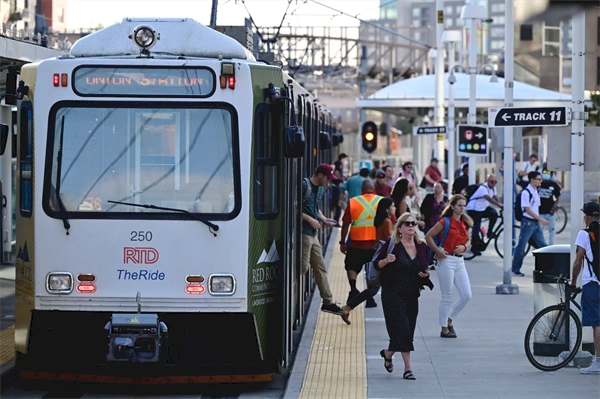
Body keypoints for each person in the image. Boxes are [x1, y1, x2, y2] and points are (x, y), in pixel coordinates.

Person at [375, 213, 432, 379]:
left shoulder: (421, 246)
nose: (411, 226)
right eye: (407, 224)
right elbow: (376, 264)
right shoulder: (392, 245)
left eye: (413, 223)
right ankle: (408, 369)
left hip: (412, 295)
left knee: (407, 332)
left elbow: (424, 267)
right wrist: (387, 260)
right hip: (392, 293)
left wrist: (424, 274)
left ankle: (387, 353)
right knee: (403, 330)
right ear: (399, 228)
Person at [339, 197, 396, 324]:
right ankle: (347, 308)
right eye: (393, 206)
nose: (395, 208)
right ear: (387, 209)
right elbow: (390, 241)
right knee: (373, 289)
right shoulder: (386, 222)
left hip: (378, 256)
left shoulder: (379, 220)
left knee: (372, 289)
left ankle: (347, 308)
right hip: (384, 259)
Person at [425, 194, 473, 339]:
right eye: (459, 205)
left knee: (466, 295)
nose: (462, 208)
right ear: (452, 206)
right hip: (446, 260)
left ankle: (450, 320)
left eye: (464, 205)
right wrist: (438, 251)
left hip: (460, 261)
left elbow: (469, 240)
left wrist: (464, 247)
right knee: (447, 296)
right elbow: (428, 236)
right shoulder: (445, 222)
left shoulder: (465, 222)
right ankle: (444, 328)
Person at [302, 164, 346, 315]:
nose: (328, 181)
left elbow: (315, 208)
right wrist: (309, 219)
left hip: (312, 234)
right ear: (320, 175)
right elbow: (292, 207)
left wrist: (323, 219)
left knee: (320, 268)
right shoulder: (304, 185)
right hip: (303, 233)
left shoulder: (320, 189)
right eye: (328, 178)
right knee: (302, 268)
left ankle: (328, 302)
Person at [339, 179, 382, 309]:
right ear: (373, 188)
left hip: (356, 244)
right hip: (375, 245)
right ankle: (369, 298)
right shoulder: (381, 201)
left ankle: (353, 288)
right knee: (372, 273)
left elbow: (345, 223)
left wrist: (342, 241)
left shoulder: (353, 202)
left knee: (351, 266)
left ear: (362, 190)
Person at [570, 202, 600, 374]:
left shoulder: (585, 234)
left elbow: (578, 261)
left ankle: (598, 362)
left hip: (592, 284)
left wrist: (573, 282)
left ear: (586, 217)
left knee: (597, 323)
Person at [512, 171, 549, 277]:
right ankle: (515, 269)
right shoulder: (526, 192)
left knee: (543, 246)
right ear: (532, 180)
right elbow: (527, 209)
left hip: (535, 223)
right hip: (528, 223)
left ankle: (545, 269)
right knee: (521, 247)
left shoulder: (535, 191)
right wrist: (541, 219)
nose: (541, 181)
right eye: (539, 179)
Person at [466, 174, 503, 256]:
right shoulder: (483, 188)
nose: (493, 184)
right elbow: (489, 198)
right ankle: (474, 248)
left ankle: (490, 232)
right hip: (474, 209)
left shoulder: (493, 188)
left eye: (495, 182)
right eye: (492, 182)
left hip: (482, 208)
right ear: (487, 181)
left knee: (494, 214)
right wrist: (498, 205)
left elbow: (495, 197)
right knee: (476, 226)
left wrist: (501, 204)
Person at [538, 165, 561, 245]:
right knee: (539, 232)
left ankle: (551, 247)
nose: (546, 174)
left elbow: (557, 197)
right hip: (540, 213)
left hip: (550, 213)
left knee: (552, 231)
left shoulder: (554, 185)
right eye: (545, 173)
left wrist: (554, 207)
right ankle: (540, 246)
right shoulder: (538, 184)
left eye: (548, 173)